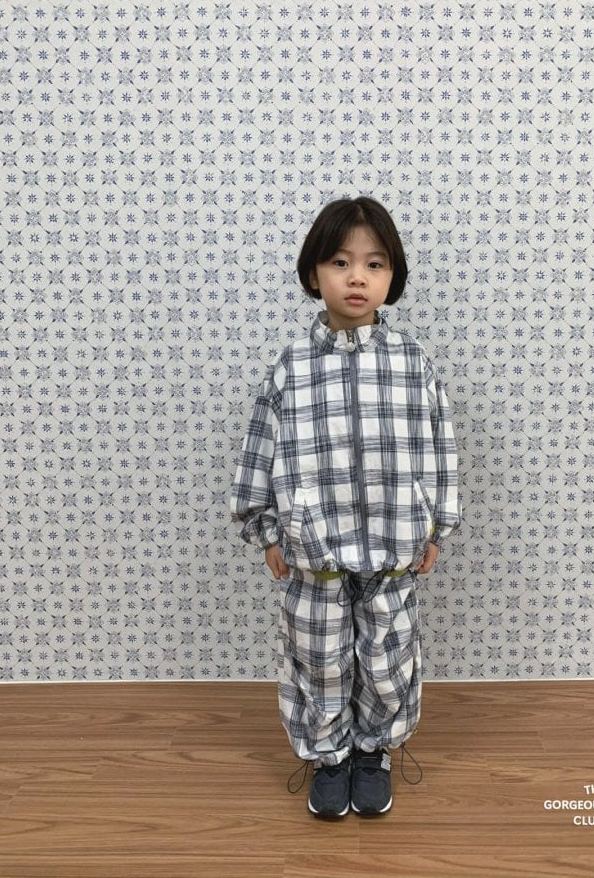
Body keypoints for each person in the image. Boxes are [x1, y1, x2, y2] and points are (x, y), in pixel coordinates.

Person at [230, 196, 462, 818]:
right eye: (340, 261)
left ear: (392, 276)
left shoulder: (412, 363)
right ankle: (328, 756)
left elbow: (438, 446)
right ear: (314, 273)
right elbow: (260, 447)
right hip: (315, 555)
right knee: (318, 659)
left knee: (388, 657)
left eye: (374, 263)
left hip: (392, 549)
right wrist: (266, 531)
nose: (357, 277)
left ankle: (372, 751)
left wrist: (437, 525)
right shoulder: (291, 367)